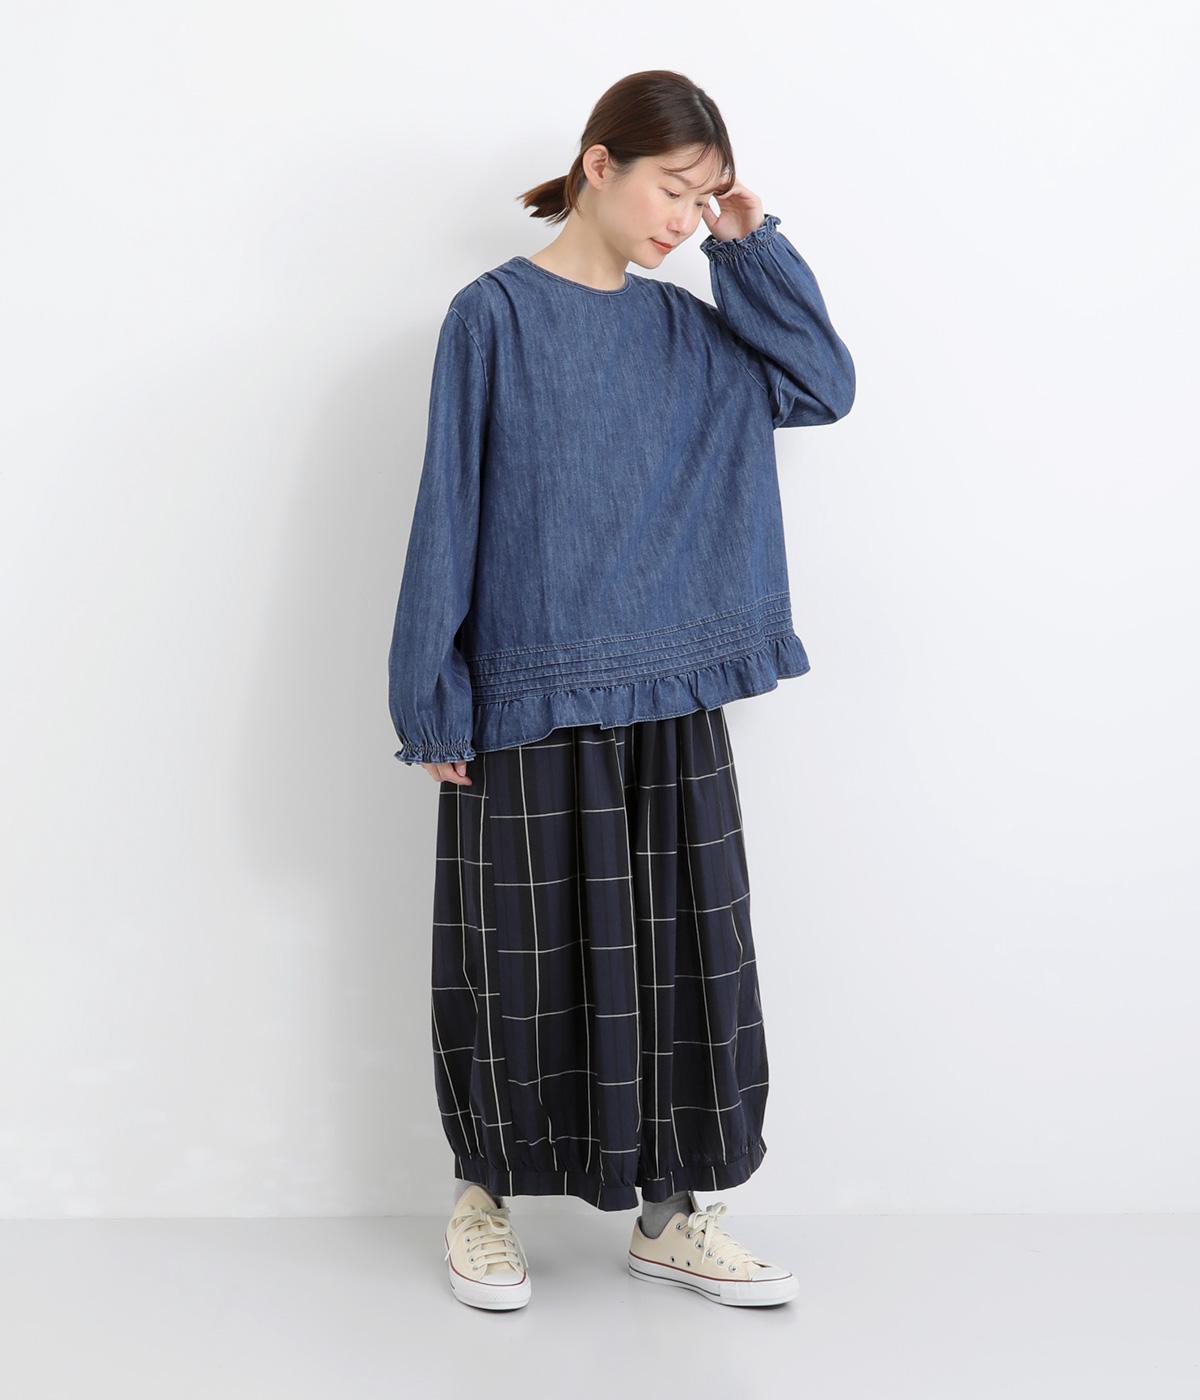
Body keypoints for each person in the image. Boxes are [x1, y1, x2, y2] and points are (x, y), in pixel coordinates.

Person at [387, 69, 855, 1311]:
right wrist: (430, 689)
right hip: (532, 687)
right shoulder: (491, 316)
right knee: (516, 954)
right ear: (598, 164)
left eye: (704, 200)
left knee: (687, 957)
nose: (682, 221)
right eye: (674, 191)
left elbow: (822, 383)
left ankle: (671, 1216)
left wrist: (749, 242)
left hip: (671, 683)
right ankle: (482, 1199)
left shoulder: (692, 329)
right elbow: (448, 502)